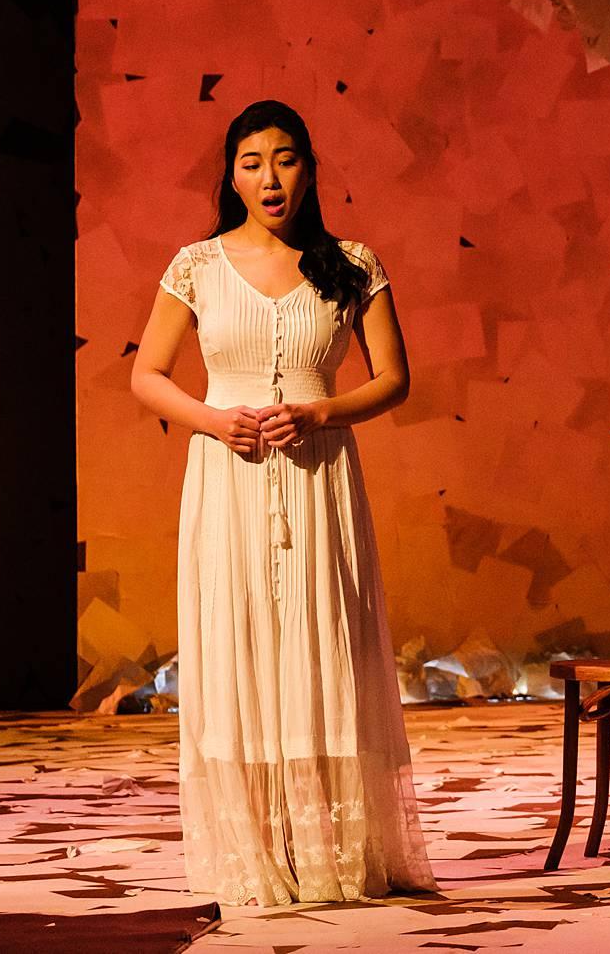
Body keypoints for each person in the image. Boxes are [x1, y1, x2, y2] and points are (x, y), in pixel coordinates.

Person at [130, 99, 436, 905]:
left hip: (318, 480)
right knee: (238, 652)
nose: (271, 177)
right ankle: (255, 856)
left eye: (287, 158)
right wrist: (213, 420)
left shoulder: (352, 263)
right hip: (225, 483)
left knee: (318, 650)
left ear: (310, 168)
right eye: (253, 161)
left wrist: (321, 411)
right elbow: (146, 374)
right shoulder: (196, 264)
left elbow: (394, 376)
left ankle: (331, 852)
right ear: (231, 174)